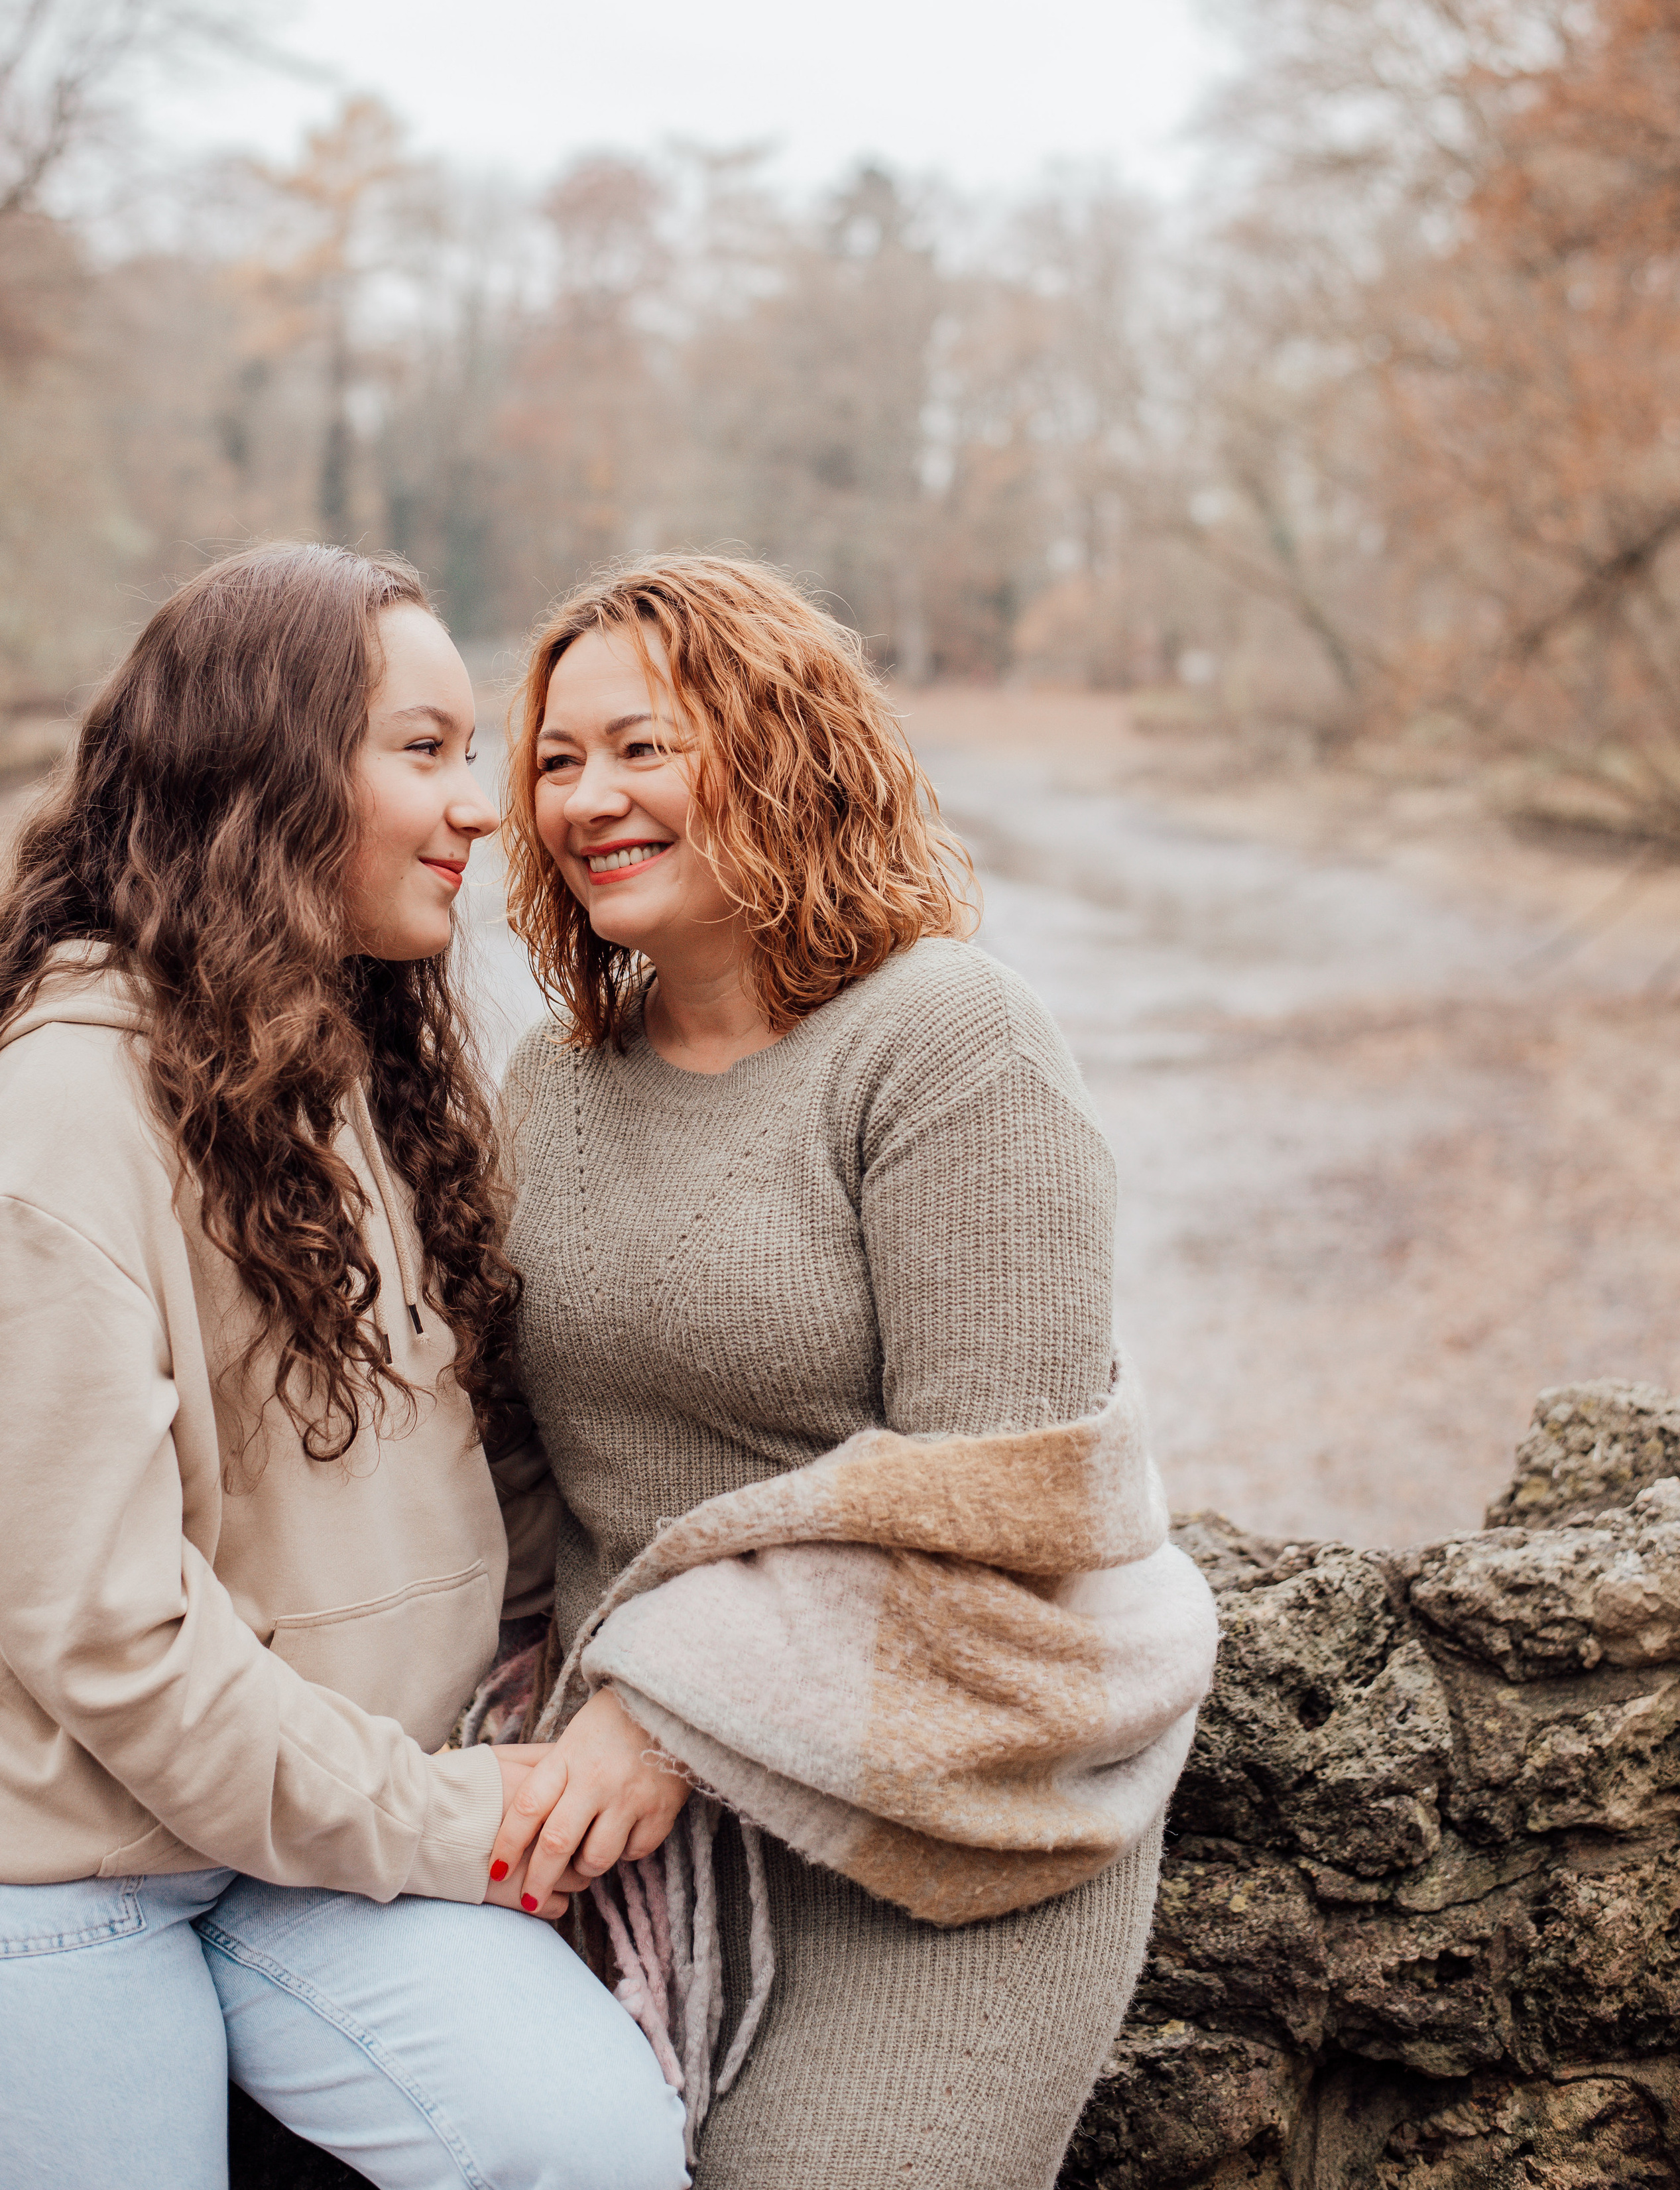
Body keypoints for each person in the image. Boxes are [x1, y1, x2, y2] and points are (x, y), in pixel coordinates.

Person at [489, 555, 1210, 2190]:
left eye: (643, 748)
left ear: (782, 752)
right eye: (555, 760)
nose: (587, 799)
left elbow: (1011, 1510)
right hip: (631, 1836)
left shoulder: (947, 1040)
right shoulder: (550, 1079)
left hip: (943, 1825)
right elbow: (505, 1464)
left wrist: (667, 1710)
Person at [0, 546, 688, 2190]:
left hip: (323, 1839)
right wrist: (454, 1822)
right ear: (265, 779)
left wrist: (659, 1692)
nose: (482, 809)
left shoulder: (366, 1071)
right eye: (423, 749)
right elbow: (104, 1634)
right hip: (72, 1869)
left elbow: (504, 1477)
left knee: (598, 2150)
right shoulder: (59, 1121)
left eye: (474, 753)